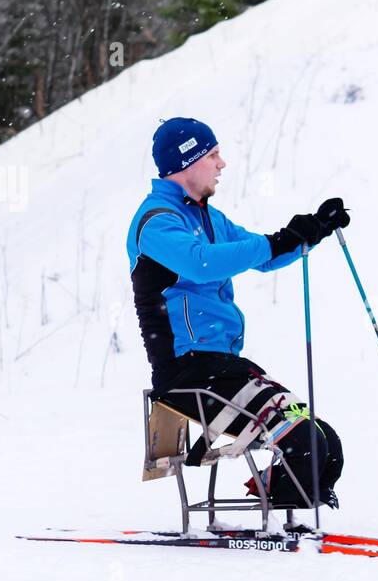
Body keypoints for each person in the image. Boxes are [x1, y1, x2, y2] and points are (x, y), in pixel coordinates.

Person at [127, 117, 348, 521]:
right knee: (304, 442)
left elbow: (259, 255)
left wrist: (311, 232)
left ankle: (282, 507)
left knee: (324, 442)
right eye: (213, 155)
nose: (221, 164)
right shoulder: (157, 222)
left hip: (224, 367)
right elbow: (201, 263)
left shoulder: (208, 219)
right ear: (188, 163)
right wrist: (272, 243)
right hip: (187, 373)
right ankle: (274, 514)